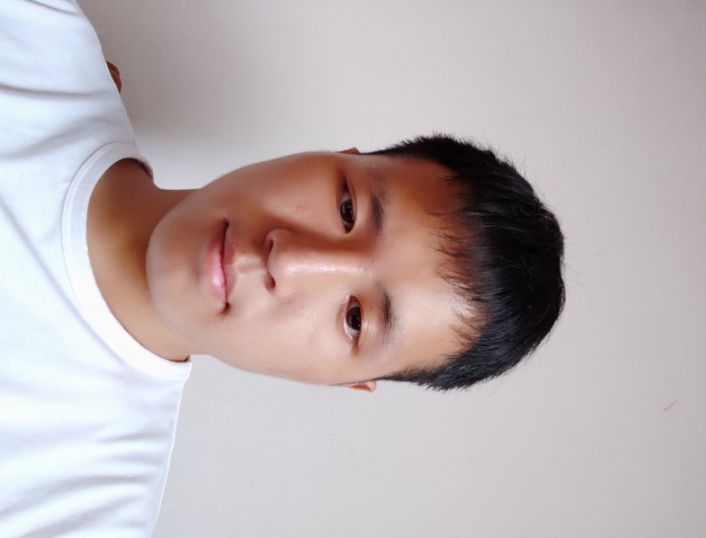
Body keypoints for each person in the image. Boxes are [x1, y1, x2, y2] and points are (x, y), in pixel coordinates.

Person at [0, 0, 565, 535]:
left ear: (343, 382)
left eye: (355, 318)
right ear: (342, 155)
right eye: (347, 210)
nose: (291, 259)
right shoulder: (37, 31)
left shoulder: (84, 509)